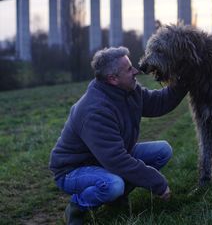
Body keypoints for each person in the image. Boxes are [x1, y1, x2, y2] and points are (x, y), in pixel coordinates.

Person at [49, 46, 187, 224]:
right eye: (129, 69)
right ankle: (77, 206)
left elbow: (159, 102)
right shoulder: (95, 111)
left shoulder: (129, 90)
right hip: (73, 169)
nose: (136, 71)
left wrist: (184, 81)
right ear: (113, 79)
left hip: (104, 159)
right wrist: (157, 183)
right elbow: (117, 160)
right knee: (114, 185)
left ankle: (116, 199)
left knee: (162, 150)